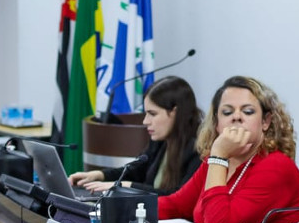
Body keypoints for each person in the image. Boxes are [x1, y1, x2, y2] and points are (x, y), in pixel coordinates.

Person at [157, 76, 299, 223]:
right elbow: (175, 205)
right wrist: (132, 207)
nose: (236, 117)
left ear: (265, 122)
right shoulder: (218, 160)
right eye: (227, 112)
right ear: (217, 123)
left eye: (248, 111)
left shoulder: (276, 165)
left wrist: (219, 157)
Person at [68, 76, 202, 195]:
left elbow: (176, 197)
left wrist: (127, 186)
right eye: (146, 113)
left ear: (175, 113)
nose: (145, 121)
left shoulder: (199, 150)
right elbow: (136, 171)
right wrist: (99, 175)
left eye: (153, 114)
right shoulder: (161, 140)